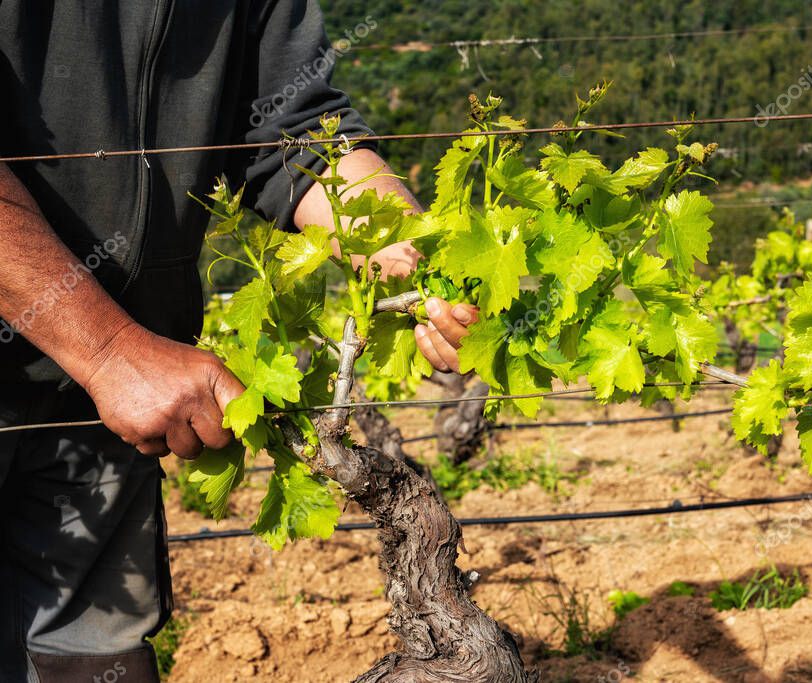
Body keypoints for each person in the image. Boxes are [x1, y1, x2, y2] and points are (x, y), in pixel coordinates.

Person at [0, 2, 474, 680]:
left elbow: (297, 127)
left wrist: (417, 256)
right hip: (107, 363)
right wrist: (106, 347)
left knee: (91, 655)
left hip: (106, 415)